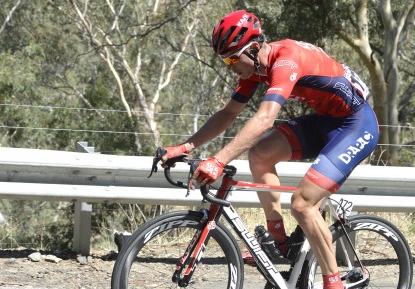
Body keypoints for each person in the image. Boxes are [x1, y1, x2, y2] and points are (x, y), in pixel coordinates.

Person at [160, 10, 378, 289]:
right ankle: (281, 242)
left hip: (356, 125)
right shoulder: (255, 71)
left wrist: (218, 160)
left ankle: (332, 283)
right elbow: (228, 113)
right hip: (326, 120)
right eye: (224, 59)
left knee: (302, 204)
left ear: (252, 49)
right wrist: (184, 146)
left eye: (231, 58)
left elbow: (265, 118)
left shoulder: (286, 60)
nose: (228, 66)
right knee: (260, 154)